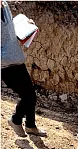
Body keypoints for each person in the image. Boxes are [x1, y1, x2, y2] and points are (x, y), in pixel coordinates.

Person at [1, 0, 46, 137]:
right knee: (29, 96)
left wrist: (25, 27)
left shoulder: (4, 5)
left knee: (30, 94)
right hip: (6, 64)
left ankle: (31, 126)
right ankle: (15, 119)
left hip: (15, 58)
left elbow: (9, 30)